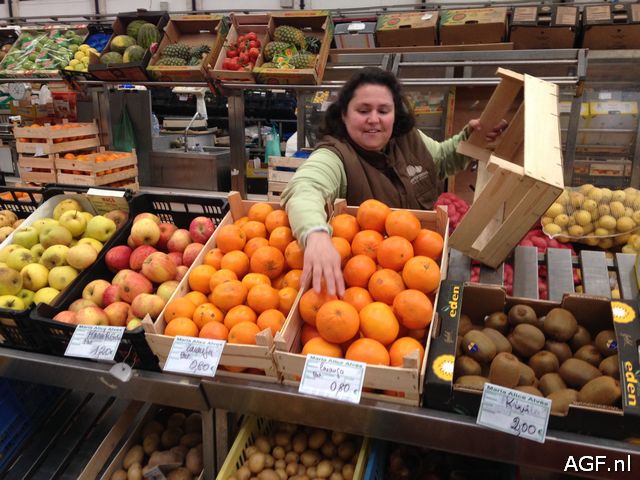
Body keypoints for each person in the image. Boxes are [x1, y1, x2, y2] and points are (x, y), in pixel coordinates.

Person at [281, 67, 507, 297]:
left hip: (421, 271)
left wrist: (470, 138)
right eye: (363, 110)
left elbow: (442, 159)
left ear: (395, 113)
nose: (374, 119)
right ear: (344, 114)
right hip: (366, 285)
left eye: (383, 110)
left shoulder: (409, 139)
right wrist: (316, 235)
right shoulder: (335, 155)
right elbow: (305, 188)